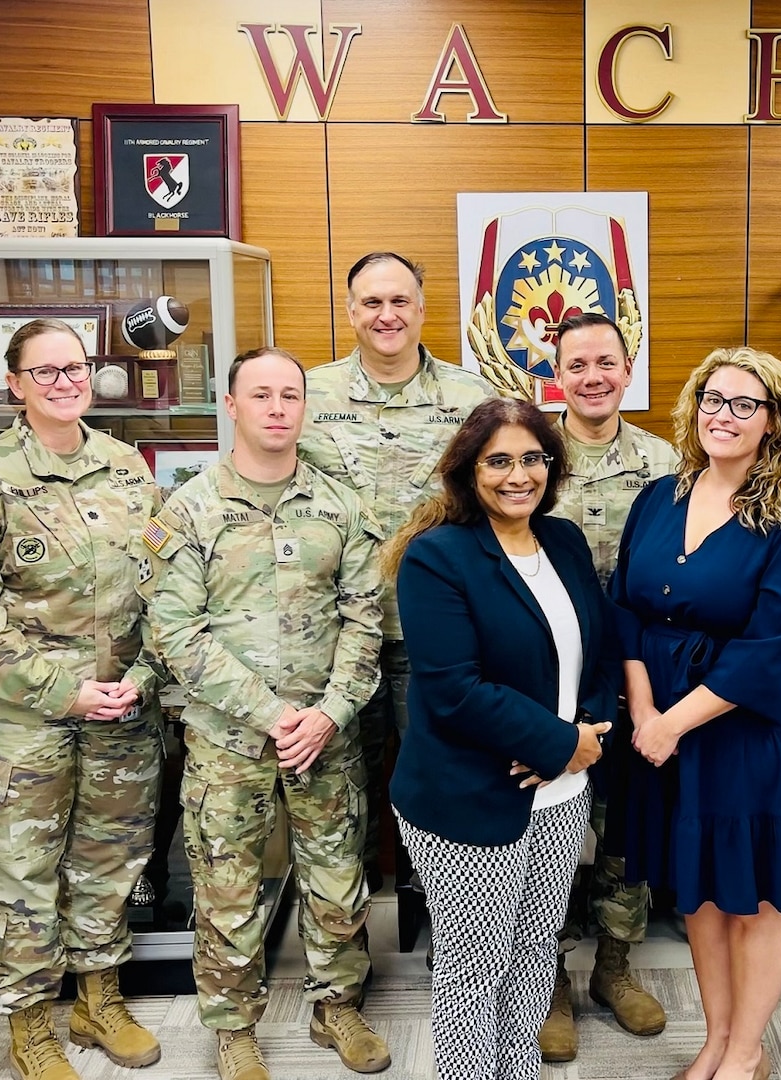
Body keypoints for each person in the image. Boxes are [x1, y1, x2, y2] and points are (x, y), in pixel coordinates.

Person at [0, 319, 163, 1080]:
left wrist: (144, 677)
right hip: (17, 724)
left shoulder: (129, 469)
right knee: (19, 876)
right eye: (47, 372)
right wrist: (65, 690)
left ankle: (99, 1001)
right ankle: (30, 1027)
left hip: (120, 711)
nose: (66, 382)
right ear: (15, 384)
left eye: (76, 368)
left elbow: (164, 587)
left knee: (108, 861)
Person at [143, 347, 390, 1077]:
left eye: (291, 395)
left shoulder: (341, 505)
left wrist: (329, 713)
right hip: (228, 740)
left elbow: (363, 620)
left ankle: (337, 1006)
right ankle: (234, 1024)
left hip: (326, 734)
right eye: (262, 394)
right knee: (227, 885)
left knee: (339, 876)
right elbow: (175, 633)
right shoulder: (187, 509)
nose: (278, 407)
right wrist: (271, 712)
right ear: (232, 405)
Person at [613, 346, 781, 1080]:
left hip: (743, 732)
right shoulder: (657, 498)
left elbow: (771, 649)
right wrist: (646, 709)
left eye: (744, 404)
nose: (723, 415)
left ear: (773, 421)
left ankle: (747, 1051)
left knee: (755, 899)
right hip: (662, 732)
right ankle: (715, 1038)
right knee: (701, 895)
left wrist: (672, 723)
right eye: (713, 399)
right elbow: (628, 612)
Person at [388, 397, 618, 1080]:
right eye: (499, 461)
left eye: (532, 458)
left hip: (563, 793)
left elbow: (602, 654)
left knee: (536, 950)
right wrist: (559, 742)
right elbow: (454, 689)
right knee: (472, 968)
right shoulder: (437, 558)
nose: (518, 475)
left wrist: (586, 739)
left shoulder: (567, 542)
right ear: (469, 471)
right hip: (468, 794)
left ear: (552, 464)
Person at [299, 251, 494, 882]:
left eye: (400, 301)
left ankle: (460, 940)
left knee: (442, 787)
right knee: (335, 801)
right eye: (372, 302)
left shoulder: (472, 399)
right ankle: (345, 955)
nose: (387, 315)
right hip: (332, 638)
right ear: (351, 310)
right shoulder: (309, 395)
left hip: (433, 636)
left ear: (422, 308)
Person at [537, 311, 678, 1060]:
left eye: (606, 362)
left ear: (629, 368)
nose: (592, 377)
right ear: (555, 374)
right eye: (577, 364)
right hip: (548, 678)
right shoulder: (530, 457)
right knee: (551, 832)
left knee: (628, 827)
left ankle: (615, 971)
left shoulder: (664, 464)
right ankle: (550, 976)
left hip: (636, 678)